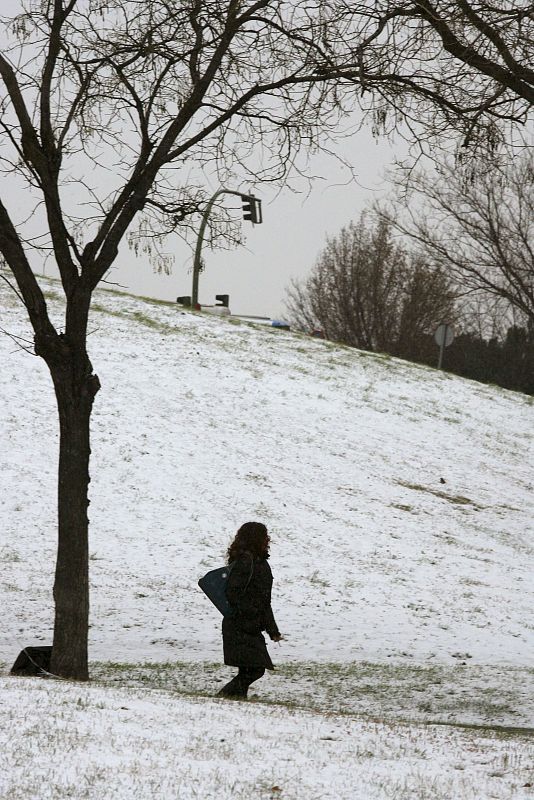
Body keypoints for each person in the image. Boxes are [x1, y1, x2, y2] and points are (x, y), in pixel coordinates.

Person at [217, 521, 282, 699]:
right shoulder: (246, 563)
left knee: (249, 669)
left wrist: (273, 630)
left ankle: (236, 699)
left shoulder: (258, 562)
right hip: (240, 625)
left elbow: (264, 601)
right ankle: (223, 696)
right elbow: (233, 593)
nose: (268, 539)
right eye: (264, 536)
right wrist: (249, 611)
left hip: (248, 625)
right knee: (255, 669)